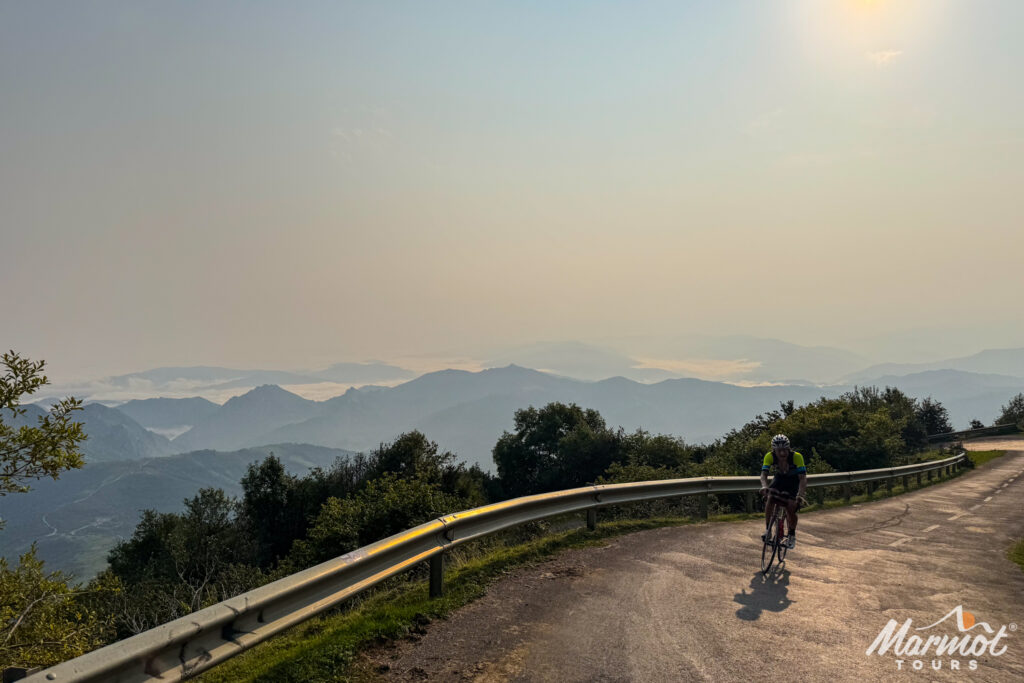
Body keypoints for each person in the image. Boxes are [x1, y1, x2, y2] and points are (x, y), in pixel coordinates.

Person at [760, 434, 807, 549]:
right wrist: (765, 486)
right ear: (774, 450)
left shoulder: (797, 457)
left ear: (789, 448)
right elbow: (763, 475)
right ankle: (768, 530)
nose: (782, 453)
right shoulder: (769, 456)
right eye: (779, 450)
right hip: (779, 479)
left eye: (785, 450)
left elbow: (802, 478)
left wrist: (800, 495)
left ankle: (791, 534)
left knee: (791, 507)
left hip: (793, 481)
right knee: (770, 498)